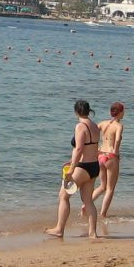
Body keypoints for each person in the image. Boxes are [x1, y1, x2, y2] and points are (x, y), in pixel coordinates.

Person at [46, 99, 102, 240]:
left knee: (63, 196)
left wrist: (72, 168)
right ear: (89, 111)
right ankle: (92, 233)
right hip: (94, 166)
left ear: (76, 111)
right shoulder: (95, 126)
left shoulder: (80, 126)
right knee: (88, 201)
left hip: (83, 167)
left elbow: (79, 148)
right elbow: (91, 147)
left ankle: (59, 229)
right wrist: (72, 161)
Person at [95, 102, 125, 235]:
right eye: (123, 111)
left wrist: (96, 148)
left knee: (102, 186)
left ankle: (86, 205)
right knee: (110, 188)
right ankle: (103, 214)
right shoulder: (119, 126)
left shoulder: (102, 124)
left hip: (101, 154)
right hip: (111, 156)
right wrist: (116, 152)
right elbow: (117, 140)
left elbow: (92, 134)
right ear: (119, 113)